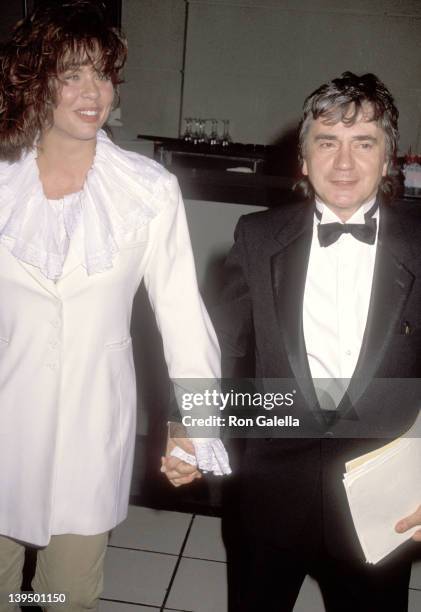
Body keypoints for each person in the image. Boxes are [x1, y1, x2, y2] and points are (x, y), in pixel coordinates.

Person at [0, 1, 229, 610]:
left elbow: (183, 314)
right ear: (36, 80)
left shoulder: (148, 190)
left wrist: (201, 428)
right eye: (70, 73)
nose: (91, 91)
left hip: (89, 425)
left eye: (101, 73)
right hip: (3, 416)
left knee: (65, 598)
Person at [215, 72, 421, 611]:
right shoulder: (255, 237)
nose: (345, 163)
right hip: (271, 496)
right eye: (327, 143)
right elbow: (225, 351)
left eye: (364, 143)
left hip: (382, 497)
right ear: (303, 159)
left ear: (388, 157)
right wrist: (184, 426)